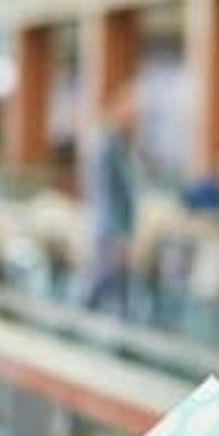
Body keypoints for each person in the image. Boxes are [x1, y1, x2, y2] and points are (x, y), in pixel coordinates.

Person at [79, 77, 140, 312]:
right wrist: (118, 236)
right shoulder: (107, 144)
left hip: (118, 228)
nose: (135, 117)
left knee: (119, 287)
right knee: (102, 283)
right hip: (109, 229)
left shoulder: (122, 144)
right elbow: (105, 192)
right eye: (131, 111)